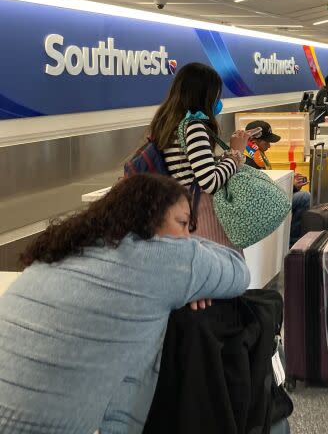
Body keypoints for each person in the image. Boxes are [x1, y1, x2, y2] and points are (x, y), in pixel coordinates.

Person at [0, 174, 249, 432]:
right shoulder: (160, 260)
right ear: (148, 219)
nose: (188, 237)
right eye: (183, 223)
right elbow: (239, 271)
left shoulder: (67, 249)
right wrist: (189, 271)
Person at [152, 62, 248, 246]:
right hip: (202, 213)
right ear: (205, 95)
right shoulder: (194, 126)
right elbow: (209, 182)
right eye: (215, 95)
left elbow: (194, 168)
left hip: (182, 209)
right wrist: (235, 154)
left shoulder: (167, 123)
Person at [244, 120, 311, 245]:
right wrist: (291, 187)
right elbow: (261, 194)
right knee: (304, 198)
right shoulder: (248, 162)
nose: (269, 146)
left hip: (265, 201)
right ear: (254, 141)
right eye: (267, 141)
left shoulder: (254, 155)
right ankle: (292, 244)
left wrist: (289, 180)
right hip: (258, 209)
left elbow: (268, 184)